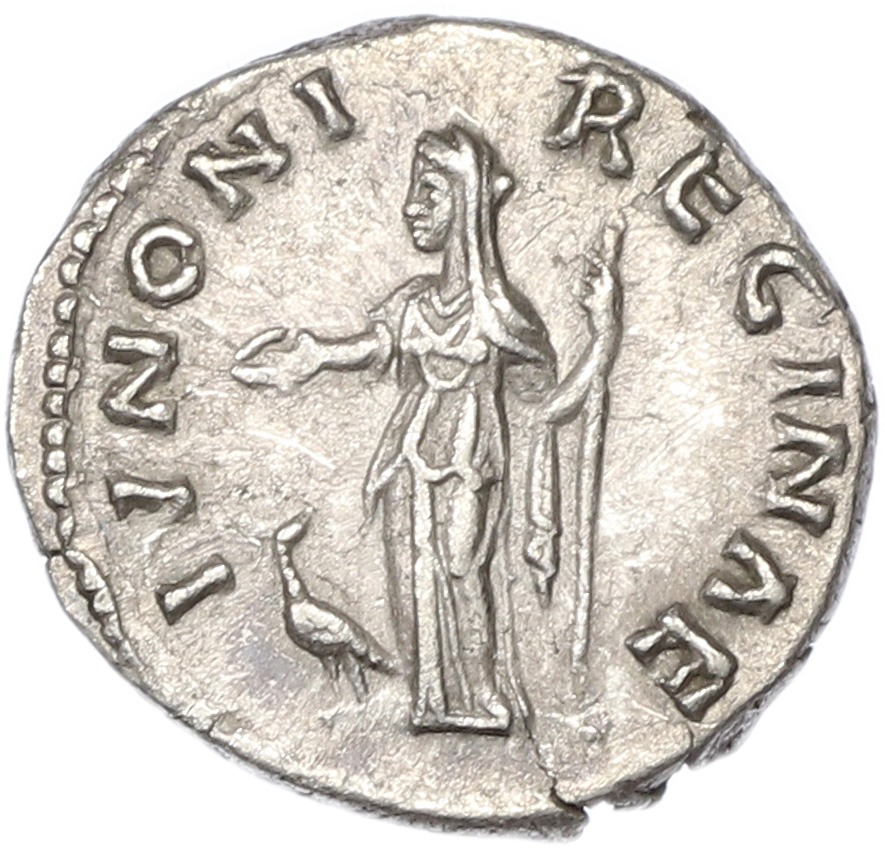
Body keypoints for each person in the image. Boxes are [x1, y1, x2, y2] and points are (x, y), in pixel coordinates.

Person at [233, 124, 623, 734]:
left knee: (463, 567)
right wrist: (312, 355)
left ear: (466, 203)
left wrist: (604, 333)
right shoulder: (414, 302)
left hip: (471, 461)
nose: (412, 207)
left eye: (429, 192)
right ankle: (432, 699)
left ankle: (482, 693)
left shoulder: (501, 315)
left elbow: (551, 406)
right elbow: (372, 347)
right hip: (410, 460)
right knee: (414, 571)